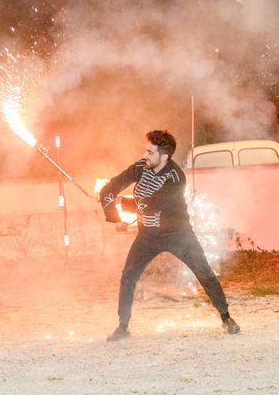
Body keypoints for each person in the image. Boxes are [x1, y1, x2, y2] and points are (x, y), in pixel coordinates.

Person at [100, 129, 239, 341]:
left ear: (164, 156)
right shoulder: (140, 167)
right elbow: (112, 185)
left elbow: (154, 205)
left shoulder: (176, 178)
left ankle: (226, 317)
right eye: (145, 150)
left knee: (204, 272)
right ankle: (123, 326)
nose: (145, 155)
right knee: (129, 275)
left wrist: (121, 202)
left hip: (179, 234)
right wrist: (110, 204)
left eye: (150, 152)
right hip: (147, 236)